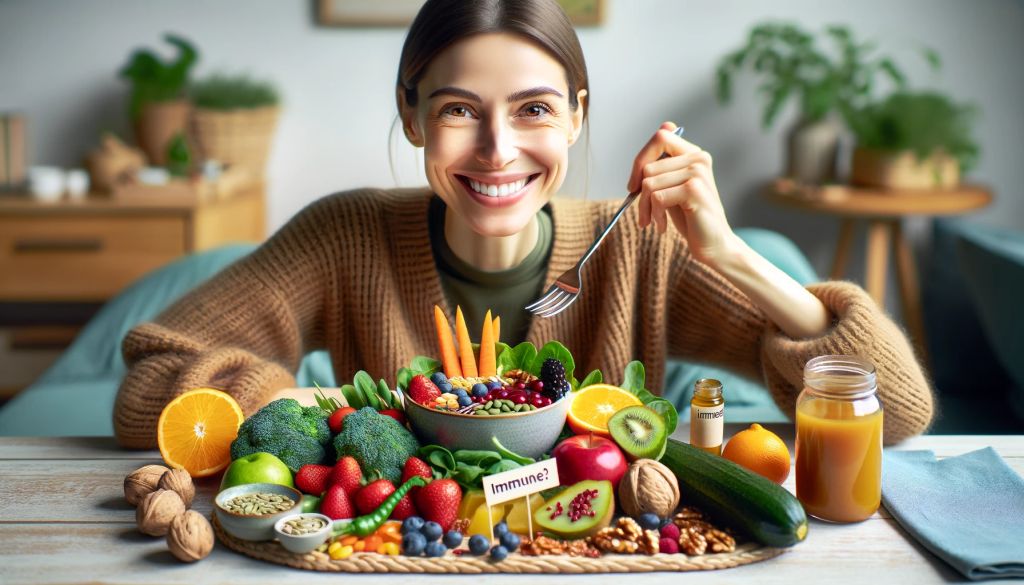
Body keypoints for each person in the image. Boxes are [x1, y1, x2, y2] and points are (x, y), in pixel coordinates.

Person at [113, 0, 933, 449]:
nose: (499, 151)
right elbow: (150, 381)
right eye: (461, 110)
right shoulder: (345, 236)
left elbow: (896, 414)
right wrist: (316, 407)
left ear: (577, 118)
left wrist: (733, 256)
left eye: (534, 109)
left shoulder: (640, 244)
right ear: (413, 119)